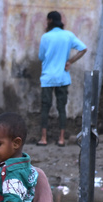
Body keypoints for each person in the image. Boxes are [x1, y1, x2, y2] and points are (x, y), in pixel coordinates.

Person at [37, 11, 87, 147]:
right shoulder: (68, 35)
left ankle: (44, 138)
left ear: (50, 20)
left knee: (45, 108)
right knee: (62, 108)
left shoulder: (46, 37)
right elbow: (83, 49)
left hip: (47, 77)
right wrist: (70, 61)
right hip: (62, 77)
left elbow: (41, 57)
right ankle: (61, 138)